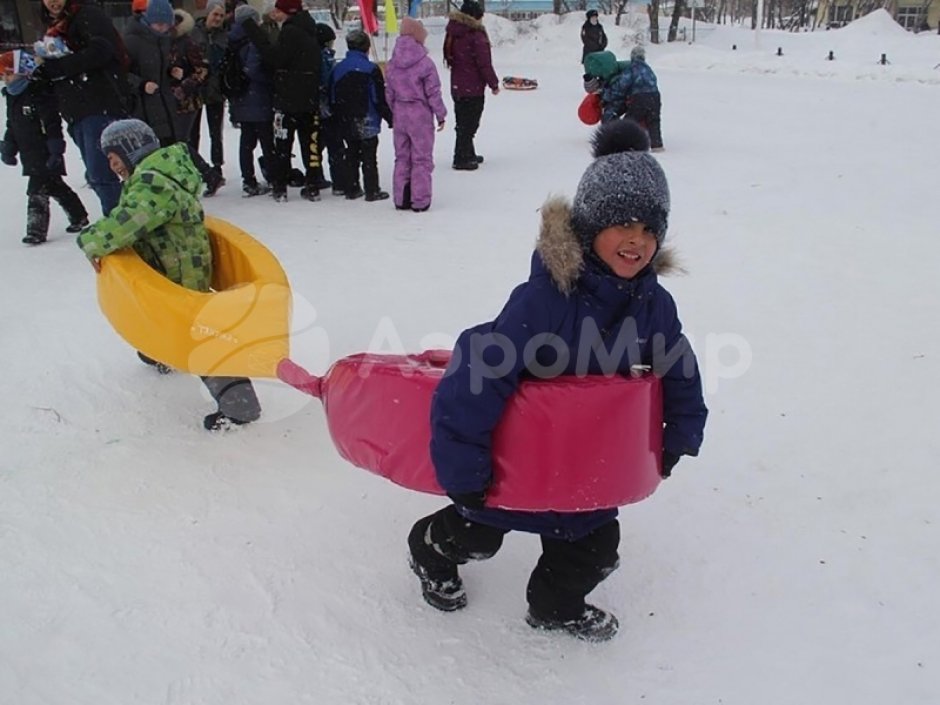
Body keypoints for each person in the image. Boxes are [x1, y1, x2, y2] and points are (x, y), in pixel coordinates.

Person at [407, 120, 707, 642]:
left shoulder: (654, 305)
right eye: (622, 225)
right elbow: (479, 373)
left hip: (588, 460)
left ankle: (554, 607)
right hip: (516, 456)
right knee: (479, 531)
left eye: (649, 229)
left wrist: (678, 434)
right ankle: (431, 549)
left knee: (592, 546)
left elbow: (677, 367)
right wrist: (465, 470)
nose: (636, 241)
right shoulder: (546, 300)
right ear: (591, 227)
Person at [76, 119, 262, 432]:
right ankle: (160, 350)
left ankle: (240, 405)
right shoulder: (158, 173)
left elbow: (126, 223)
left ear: (131, 149)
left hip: (178, 268)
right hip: (173, 262)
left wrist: (89, 240)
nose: (111, 163)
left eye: (113, 155)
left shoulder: (155, 183)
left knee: (198, 336)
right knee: (158, 317)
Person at [32, 0, 129, 216]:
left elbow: (102, 50)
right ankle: (124, 222)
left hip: (99, 104)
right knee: (99, 176)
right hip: (77, 110)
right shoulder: (56, 26)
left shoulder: (87, 15)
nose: (53, 2)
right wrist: (43, 74)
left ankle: (123, 228)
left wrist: (57, 68)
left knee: (102, 174)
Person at [1, 50, 88, 244]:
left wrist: (56, 149)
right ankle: (79, 215)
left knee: (37, 191)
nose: (6, 79)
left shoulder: (39, 93)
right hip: (28, 151)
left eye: (9, 73)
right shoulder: (12, 96)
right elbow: (12, 124)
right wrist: (9, 146)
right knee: (55, 186)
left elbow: (51, 123)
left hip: (45, 150)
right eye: (3, 75)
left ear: (24, 73)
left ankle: (36, 230)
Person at [242, 0, 321, 203]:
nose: (274, 14)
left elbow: (275, 58)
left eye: (277, 10)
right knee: (310, 142)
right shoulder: (311, 29)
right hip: (309, 97)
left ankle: (279, 186)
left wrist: (254, 32)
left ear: (287, 12)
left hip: (288, 98)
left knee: (283, 143)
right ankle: (313, 184)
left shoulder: (290, 32)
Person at [384, 17, 446, 212]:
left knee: (402, 157)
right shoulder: (425, 64)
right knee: (421, 158)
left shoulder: (392, 63)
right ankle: (420, 200)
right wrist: (440, 113)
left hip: (400, 112)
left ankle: (401, 198)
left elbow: (389, 92)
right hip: (420, 114)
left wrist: (395, 110)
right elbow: (433, 92)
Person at [330, 30, 393, 202]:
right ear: (366, 48)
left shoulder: (338, 68)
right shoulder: (371, 69)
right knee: (369, 156)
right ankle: (372, 190)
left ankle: (352, 188)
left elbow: (332, 96)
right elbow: (379, 98)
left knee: (351, 153)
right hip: (368, 117)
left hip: (345, 119)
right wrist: (390, 118)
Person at [443, 0, 498, 171]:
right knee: (470, 124)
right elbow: (484, 63)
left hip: (458, 85)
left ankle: (467, 153)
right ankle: (461, 158)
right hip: (472, 87)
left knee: (463, 122)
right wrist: (493, 83)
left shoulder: (453, 32)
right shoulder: (475, 35)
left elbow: (450, 57)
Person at [228, 3, 276, 197]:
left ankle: (248, 180)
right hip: (258, 97)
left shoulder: (232, 38)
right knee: (267, 141)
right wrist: (271, 80)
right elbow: (253, 69)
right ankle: (273, 177)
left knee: (246, 143)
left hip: (240, 98)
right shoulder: (253, 40)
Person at [584, 46, 664, 151]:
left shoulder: (631, 69)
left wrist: (607, 95)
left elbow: (621, 86)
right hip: (655, 96)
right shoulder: (648, 68)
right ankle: (657, 145)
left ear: (632, 57)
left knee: (630, 121)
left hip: (639, 97)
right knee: (653, 120)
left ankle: (625, 145)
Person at [189, 0, 228, 178]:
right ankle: (193, 165)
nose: (218, 18)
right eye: (215, 14)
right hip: (195, 88)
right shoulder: (194, 33)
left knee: (215, 132)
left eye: (221, 15)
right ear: (208, 14)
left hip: (216, 89)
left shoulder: (224, 36)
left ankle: (217, 165)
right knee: (192, 132)